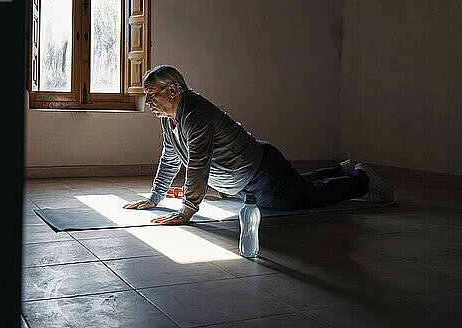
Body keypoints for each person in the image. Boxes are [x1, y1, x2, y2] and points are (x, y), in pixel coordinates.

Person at [123, 65, 394, 225]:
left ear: (172, 91)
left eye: (151, 95)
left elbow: (197, 162)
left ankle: (362, 180)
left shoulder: (196, 113)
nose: (148, 103)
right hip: (252, 176)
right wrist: (154, 197)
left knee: (307, 196)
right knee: (299, 184)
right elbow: (170, 157)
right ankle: (342, 168)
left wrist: (187, 210)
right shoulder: (169, 117)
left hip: (262, 173)